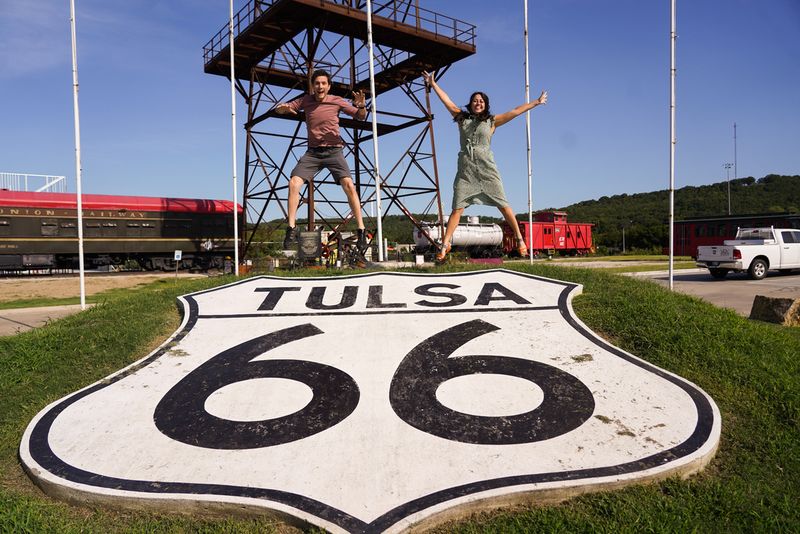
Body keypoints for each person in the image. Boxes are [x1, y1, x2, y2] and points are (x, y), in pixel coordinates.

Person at [422, 71, 548, 262]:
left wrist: (535, 103)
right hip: (466, 171)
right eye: (475, 100)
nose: (478, 102)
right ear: (470, 104)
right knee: (457, 208)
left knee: (503, 205)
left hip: (487, 169)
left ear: (486, 104)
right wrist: (433, 83)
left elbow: (515, 111)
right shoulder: (461, 118)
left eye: (481, 101)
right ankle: (445, 244)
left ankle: (520, 239)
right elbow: (447, 101)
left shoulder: (492, 121)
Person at [275, 69, 369, 252]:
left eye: (323, 83)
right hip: (313, 153)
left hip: (334, 151)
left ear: (328, 86)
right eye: (317, 83)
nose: (320, 86)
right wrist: (283, 109)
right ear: (313, 86)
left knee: (349, 185)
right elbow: (280, 109)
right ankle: (291, 228)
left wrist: (361, 106)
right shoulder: (305, 101)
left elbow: (361, 116)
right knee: (293, 183)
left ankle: (361, 230)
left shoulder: (336, 101)